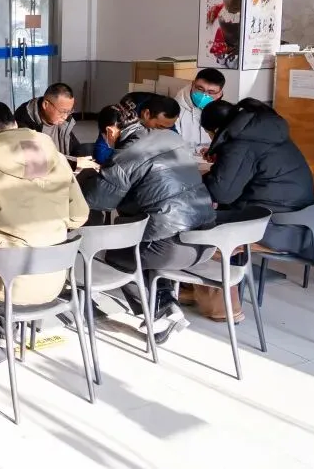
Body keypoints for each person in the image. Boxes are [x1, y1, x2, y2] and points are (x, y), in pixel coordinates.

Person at [0, 100, 90, 376]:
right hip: (54, 276)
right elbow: (78, 216)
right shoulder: (47, 152)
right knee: (9, 252)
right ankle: (6, 338)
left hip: (7, 282)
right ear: (13, 123)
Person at [78, 99, 216, 342]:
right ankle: (166, 303)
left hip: (173, 247)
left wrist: (89, 176)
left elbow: (99, 201)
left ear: (110, 132)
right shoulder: (171, 138)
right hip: (206, 238)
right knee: (142, 244)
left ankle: (158, 313)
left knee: (116, 257)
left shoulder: (125, 156)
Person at [201, 98, 314, 255]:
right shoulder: (263, 130)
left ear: (216, 129)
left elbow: (222, 193)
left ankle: (230, 267)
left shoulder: (241, 143)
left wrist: (201, 179)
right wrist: (222, 160)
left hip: (276, 228)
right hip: (303, 224)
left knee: (196, 223)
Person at [14, 82, 93, 169]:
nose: (65, 117)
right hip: (41, 171)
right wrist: (73, 162)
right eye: (62, 111)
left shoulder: (63, 120)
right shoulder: (24, 121)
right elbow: (35, 158)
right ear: (45, 105)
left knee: (88, 150)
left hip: (62, 165)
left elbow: (74, 147)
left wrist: (81, 159)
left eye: (69, 111)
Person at [94, 95, 180, 164]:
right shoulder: (123, 116)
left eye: (169, 127)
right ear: (147, 114)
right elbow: (101, 155)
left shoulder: (166, 123)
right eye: (159, 126)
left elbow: (176, 149)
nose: (164, 132)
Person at [175, 69, 226, 153]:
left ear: (219, 93)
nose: (204, 95)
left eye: (211, 92)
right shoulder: (176, 109)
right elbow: (173, 144)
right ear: (192, 85)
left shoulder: (223, 112)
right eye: (200, 89)